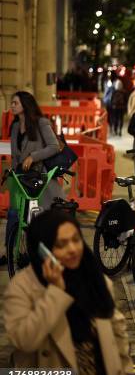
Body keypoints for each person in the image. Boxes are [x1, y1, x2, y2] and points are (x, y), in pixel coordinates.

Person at [3, 210, 134, 375]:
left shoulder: (92, 275)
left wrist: (123, 368)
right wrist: (56, 292)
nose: (72, 249)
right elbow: (25, 340)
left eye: (76, 239)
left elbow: (115, 324)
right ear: (44, 250)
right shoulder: (23, 287)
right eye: (61, 244)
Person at [4, 92, 65, 266]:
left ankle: (44, 254)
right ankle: (10, 250)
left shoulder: (41, 123)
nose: (12, 105)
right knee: (14, 213)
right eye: (11, 102)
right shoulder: (15, 126)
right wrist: (13, 171)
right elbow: (15, 154)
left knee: (36, 218)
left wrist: (33, 156)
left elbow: (54, 146)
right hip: (20, 177)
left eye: (15, 102)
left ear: (25, 105)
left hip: (38, 178)